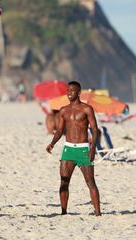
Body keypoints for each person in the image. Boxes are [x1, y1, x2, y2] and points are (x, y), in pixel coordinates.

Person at [46, 81, 101, 216]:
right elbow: (59, 130)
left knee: (90, 182)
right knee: (64, 181)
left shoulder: (87, 109)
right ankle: (63, 212)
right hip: (68, 149)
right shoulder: (63, 110)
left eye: (72, 90)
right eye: (68, 90)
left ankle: (98, 213)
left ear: (79, 92)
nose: (69, 92)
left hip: (83, 149)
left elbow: (94, 130)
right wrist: (52, 143)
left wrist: (93, 148)